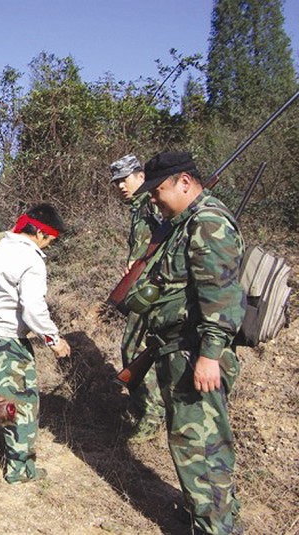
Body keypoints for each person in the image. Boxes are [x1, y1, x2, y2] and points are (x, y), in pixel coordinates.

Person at [133, 151, 245, 534]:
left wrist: (210, 354)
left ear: (184, 182)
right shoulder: (183, 224)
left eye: (159, 190)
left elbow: (222, 295)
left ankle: (215, 528)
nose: (154, 199)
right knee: (192, 447)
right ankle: (208, 515)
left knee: (202, 450)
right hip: (180, 350)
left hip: (196, 352)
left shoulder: (208, 222)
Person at [0, 203, 71, 484]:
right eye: (50, 241)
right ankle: (20, 469)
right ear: (41, 233)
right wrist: (54, 340)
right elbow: (33, 310)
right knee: (20, 403)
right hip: (7, 338)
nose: (49, 247)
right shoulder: (31, 260)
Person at [110, 154, 165, 442]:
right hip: (141, 288)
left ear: (141, 177)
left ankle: (152, 414)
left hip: (151, 290)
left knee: (134, 349)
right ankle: (147, 408)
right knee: (135, 349)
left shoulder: (151, 204)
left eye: (125, 179)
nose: (120, 185)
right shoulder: (139, 209)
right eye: (116, 181)